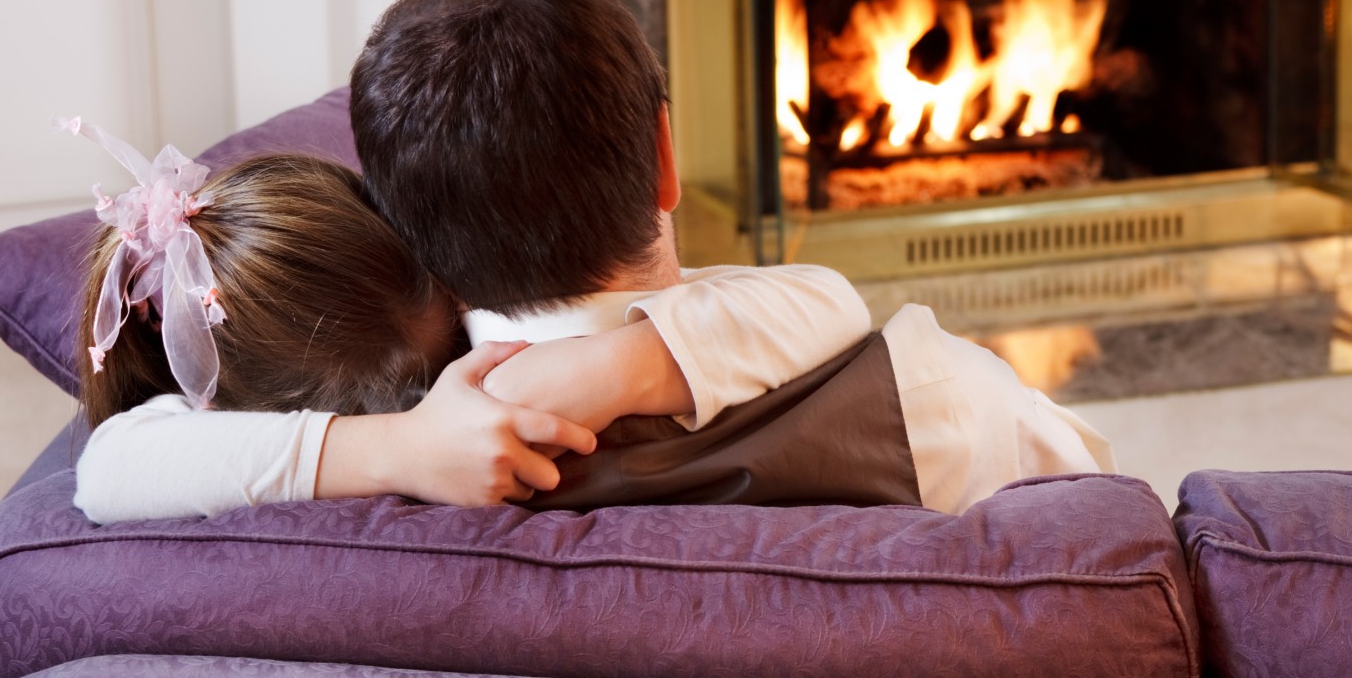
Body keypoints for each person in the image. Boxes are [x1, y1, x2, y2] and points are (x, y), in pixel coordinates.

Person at [79, 0, 1112, 520]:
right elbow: (1103, 515)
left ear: (414, 229)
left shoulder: (413, 433)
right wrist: (620, 365)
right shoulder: (935, 401)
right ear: (664, 156)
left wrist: (398, 445)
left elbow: (110, 465)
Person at [66, 122, 871, 520]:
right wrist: (403, 447)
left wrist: (616, 364)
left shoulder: (551, 326)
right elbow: (108, 468)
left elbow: (832, 300)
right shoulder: (213, 424)